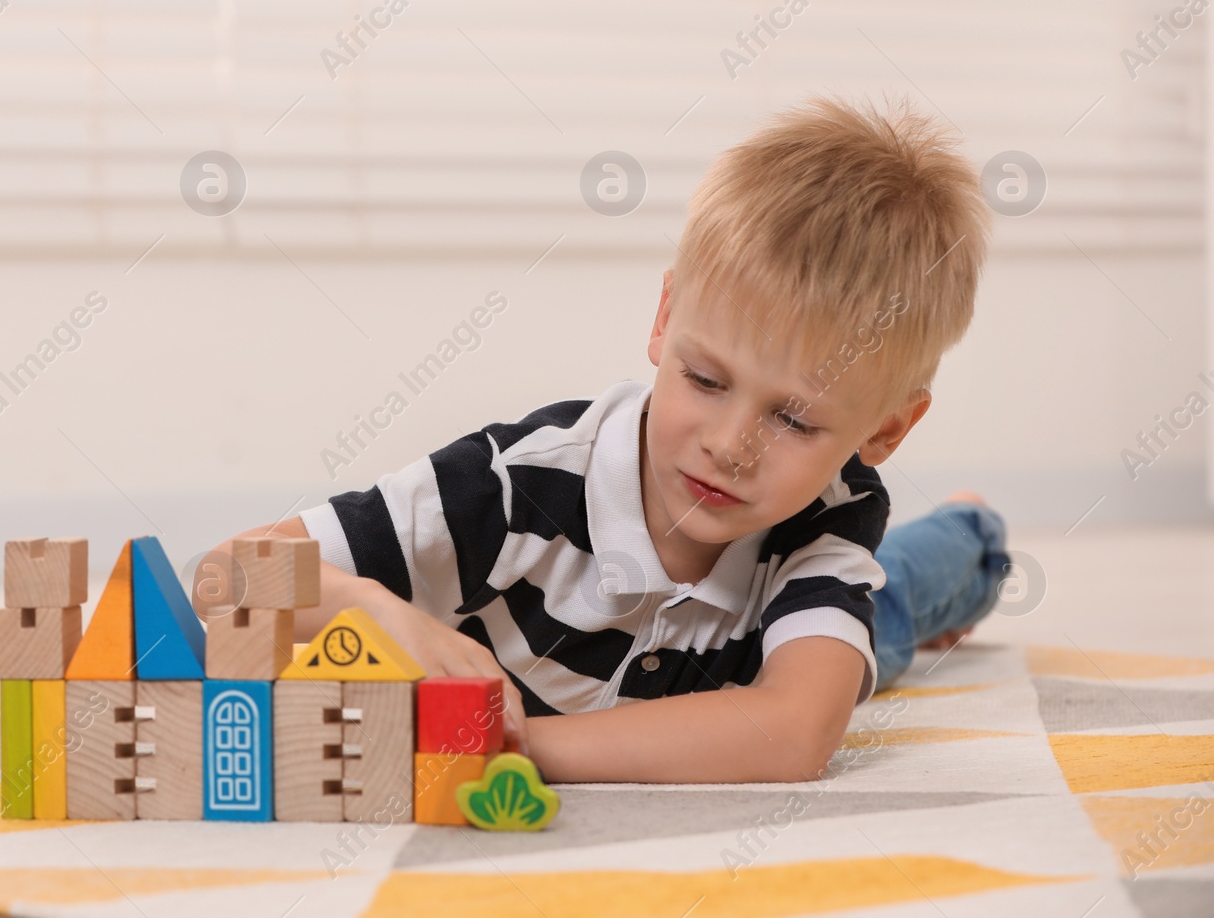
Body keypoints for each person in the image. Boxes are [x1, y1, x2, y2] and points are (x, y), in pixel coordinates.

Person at [199, 95, 1012, 784]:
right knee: (880, 610)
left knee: (891, 609)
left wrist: (513, 741)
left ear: (886, 429)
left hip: (753, 649)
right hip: (715, 661)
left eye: (793, 420)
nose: (732, 446)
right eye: (705, 379)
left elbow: (796, 731)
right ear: (664, 320)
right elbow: (221, 577)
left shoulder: (833, 505)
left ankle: (973, 535)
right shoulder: (515, 485)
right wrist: (370, 606)